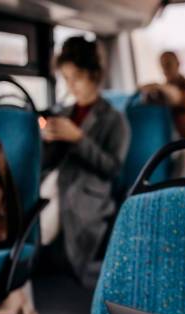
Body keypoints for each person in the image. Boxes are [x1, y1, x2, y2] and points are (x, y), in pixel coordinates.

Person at [39, 36, 130, 287]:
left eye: (76, 77)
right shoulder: (64, 113)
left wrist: (78, 138)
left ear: (94, 75)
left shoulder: (115, 120)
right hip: (56, 183)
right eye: (66, 78)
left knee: (42, 218)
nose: (71, 85)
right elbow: (48, 164)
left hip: (87, 193)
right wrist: (47, 141)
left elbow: (112, 169)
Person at [139, 51, 185, 139]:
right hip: (165, 140)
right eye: (162, 65)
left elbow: (175, 97)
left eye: (168, 64)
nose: (165, 69)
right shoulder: (159, 92)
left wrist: (156, 87)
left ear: (178, 64)